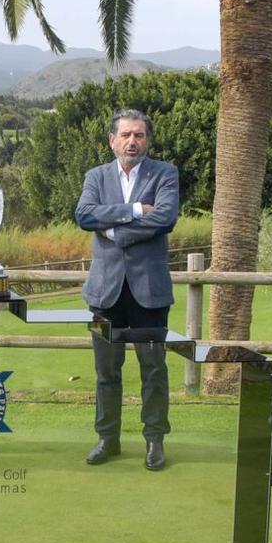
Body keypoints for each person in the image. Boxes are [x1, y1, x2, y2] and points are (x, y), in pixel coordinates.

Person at [75, 109, 179, 471]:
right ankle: (108, 438)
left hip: (149, 293)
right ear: (112, 140)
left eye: (139, 135)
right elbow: (85, 216)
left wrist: (113, 229)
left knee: (153, 370)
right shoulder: (95, 176)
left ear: (147, 140)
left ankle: (154, 440)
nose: (132, 141)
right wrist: (134, 209)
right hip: (105, 293)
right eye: (125, 135)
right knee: (106, 371)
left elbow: (164, 218)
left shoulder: (165, 173)